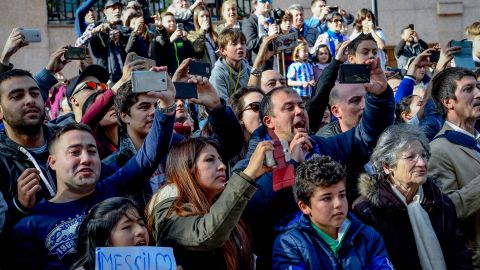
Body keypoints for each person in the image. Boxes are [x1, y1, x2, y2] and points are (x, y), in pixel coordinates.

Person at [233, 52, 394, 268]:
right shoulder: (252, 163)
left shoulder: (327, 146)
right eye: (289, 108)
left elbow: (368, 135)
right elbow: (250, 207)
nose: (300, 111)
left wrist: (380, 95)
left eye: (301, 105)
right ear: (269, 121)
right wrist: (292, 165)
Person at [11, 66, 176, 269]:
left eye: (92, 151)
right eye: (75, 152)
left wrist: (167, 106)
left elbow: (149, 156)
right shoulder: (30, 225)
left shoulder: (112, 190)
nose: (86, 159)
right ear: (52, 162)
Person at [353, 124, 473, 269]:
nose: (422, 163)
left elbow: (460, 256)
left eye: (423, 155)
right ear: (387, 166)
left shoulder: (440, 201)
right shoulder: (368, 211)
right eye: (410, 157)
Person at [149, 137, 273, 270]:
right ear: (188, 168)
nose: (222, 166)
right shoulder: (168, 212)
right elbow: (206, 234)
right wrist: (248, 174)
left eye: (220, 159)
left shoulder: (222, 203)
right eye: (210, 160)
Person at [273, 155, 393, 270]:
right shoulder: (289, 244)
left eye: (342, 195)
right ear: (304, 207)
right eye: (326, 198)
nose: (338, 204)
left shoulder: (368, 236)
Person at [428, 67, 480, 268]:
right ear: (448, 102)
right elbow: (448, 212)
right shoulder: (438, 150)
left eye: (478, 87)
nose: (478, 94)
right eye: (468, 89)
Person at [71, 197, 149, 270]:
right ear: (103, 238)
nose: (141, 231)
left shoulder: (158, 264)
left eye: (141, 224)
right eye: (127, 227)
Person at [88, 0, 130, 83]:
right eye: (114, 8)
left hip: (123, 77)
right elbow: (83, 41)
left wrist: (120, 38)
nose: (117, 11)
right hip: (103, 77)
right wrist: (99, 32)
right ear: (105, 11)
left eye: (119, 8)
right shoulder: (95, 26)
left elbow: (131, 45)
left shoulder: (124, 29)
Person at [209, 28, 250, 100]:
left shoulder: (249, 69)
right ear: (222, 50)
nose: (240, 46)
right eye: (234, 44)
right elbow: (223, 107)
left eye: (243, 43)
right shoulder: (217, 74)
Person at [228, 87, 265, 164]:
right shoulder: (228, 151)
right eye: (256, 107)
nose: (263, 112)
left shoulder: (281, 143)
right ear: (240, 117)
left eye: (266, 107)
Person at [242, 0, 272, 66]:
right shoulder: (249, 21)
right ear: (255, 4)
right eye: (263, 1)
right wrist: (269, 36)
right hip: (258, 65)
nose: (267, 3)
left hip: (275, 63)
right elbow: (249, 43)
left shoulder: (272, 19)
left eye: (269, 0)